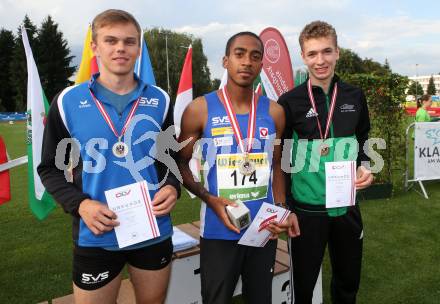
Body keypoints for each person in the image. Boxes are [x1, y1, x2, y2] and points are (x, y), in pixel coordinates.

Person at [37, 9, 180, 304]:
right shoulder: (67, 101)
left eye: (129, 42)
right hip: (96, 231)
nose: (120, 48)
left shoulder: (160, 99)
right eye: (111, 40)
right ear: (94, 46)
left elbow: (170, 159)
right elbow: (49, 168)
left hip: (152, 228)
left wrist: (172, 187)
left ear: (138, 48)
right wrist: (81, 205)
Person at [177, 32, 300, 304]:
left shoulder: (275, 112)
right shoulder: (199, 109)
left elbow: (277, 164)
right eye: (239, 54)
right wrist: (209, 198)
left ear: (261, 65)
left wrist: (280, 207)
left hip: (263, 228)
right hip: (220, 230)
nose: (247, 62)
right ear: (225, 60)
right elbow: (179, 162)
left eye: (255, 57)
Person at [278, 21, 374, 304]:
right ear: (303, 57)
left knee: (347, 283)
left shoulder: (354, 95)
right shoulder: (290, 101)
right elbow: (281, 160)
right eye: (312, 54)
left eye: (326, 51)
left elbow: (364, 138)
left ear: (338, 52)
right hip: (307, 212)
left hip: (346, 207)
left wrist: (365, 166)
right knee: (303, 287)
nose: (320, 61)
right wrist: (286, 207)